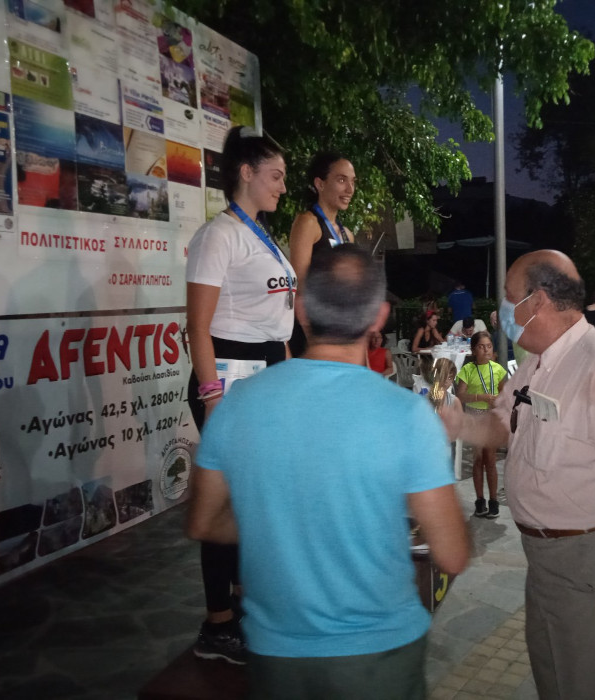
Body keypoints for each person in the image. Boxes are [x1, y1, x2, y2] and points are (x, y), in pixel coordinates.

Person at [187, 246, 469, 699]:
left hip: (276, 655)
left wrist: (279, 522)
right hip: (380, 654)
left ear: (300, 310)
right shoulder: (407, 414)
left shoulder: (237, 403)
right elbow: (452, 554)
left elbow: (203, 521)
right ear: (378, 317)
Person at [446, 250, 595, 700]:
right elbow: (504, 426)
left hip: (587, 560)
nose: (502, 311)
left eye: (509, 298)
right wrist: (457, 424)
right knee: (555, 679)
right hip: (542, 561)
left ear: (537, 301)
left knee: (592, 685)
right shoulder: (536, 361)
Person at [185, 126, 295, 664]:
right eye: (275, 175)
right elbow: (198, 326)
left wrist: (291, 381)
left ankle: (242, 603)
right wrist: (212, 397)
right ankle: (218, 626)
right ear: (246, 173)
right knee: (227, 500)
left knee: (254, 501)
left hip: (267, 374)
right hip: (229, 379)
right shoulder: (219, 235)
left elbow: (278, 326)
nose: (282, 186)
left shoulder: (263, 236)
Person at [288, 152, 357, 356]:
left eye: (353, 181)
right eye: (341, 180)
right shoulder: (307, 222)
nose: (350, 189)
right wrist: (316, 343)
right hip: (312, 336)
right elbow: (299, 289)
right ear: (320, 184)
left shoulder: (347, 235)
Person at [454, 331, 507, 519]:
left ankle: (493, 500)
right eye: (481, 347)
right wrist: (481, 397)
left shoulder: (497, 369)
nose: (486, 350)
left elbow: (504, 395)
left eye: (489, 346)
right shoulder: (468, 370)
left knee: (490, 459)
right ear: (473, 350)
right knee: (477, 459)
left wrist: (497, 401)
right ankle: (479, 500)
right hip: (475, 416)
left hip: (490, 417)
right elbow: (461, 395)